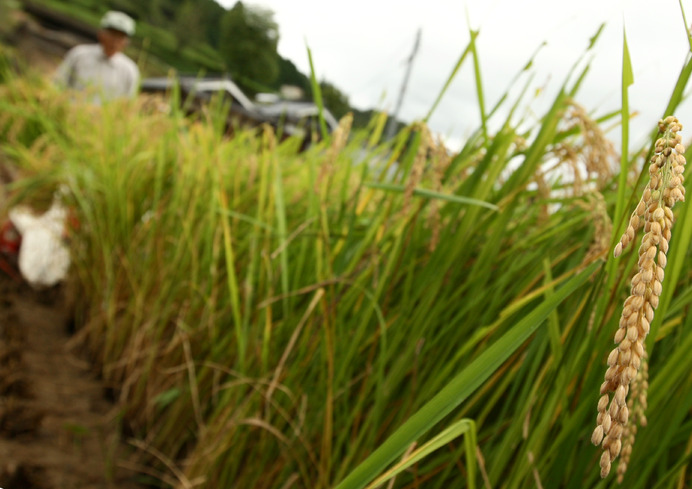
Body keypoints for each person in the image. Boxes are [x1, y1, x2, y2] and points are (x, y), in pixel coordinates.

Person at [54, 11, 139, 103]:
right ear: (101, 34)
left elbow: (127, 104)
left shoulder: (130, 70)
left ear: (126, 42)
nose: (115, 41)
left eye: (120, 37)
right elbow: (58, 84)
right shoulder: (79, 55)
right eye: (112, 34)